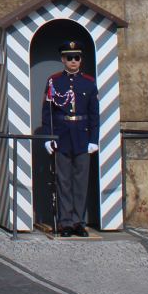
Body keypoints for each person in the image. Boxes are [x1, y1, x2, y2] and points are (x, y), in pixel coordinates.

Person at [41, 40, 99, 237]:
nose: (74, 61)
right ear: (63, 59)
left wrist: (94, 139)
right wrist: (48, 138)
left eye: (77, 57)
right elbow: (47, 112)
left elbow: (94, 115)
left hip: (82, 137)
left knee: (81, 182)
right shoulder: (54, 81)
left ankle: (78, 222)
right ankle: (66, 222)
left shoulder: (89, 82)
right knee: (63, 181)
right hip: (62, 136)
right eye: (69, 58)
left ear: (81, 60)